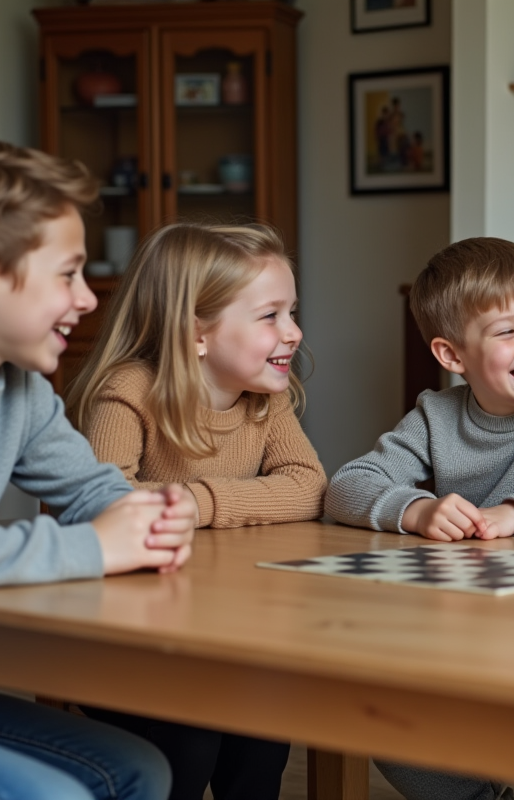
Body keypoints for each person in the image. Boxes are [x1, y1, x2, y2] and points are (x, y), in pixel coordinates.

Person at [0, 132, 197, 800]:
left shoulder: (20, 388)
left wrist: (150, 516)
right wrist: (95, 546)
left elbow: (93, 489)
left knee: (140, 769)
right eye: (68, 274)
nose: (88, 299)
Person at [324, 236, 514, 800]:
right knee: (388, 725)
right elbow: (347, 484)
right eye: (508, 331)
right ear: (452, 356)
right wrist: (416, 510)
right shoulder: (435, 415)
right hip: (463, 630)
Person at [66, 222, 327, 800]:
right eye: (270, 316)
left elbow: (309, 486)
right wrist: (220, 502)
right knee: (192, 737)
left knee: (263, 731)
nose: (293, 332)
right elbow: (107, 501)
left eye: (292, 312)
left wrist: (194, 500)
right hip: (127, 642)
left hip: (222, 627)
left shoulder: (265, 400)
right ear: (196, 334)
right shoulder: (129, 391)